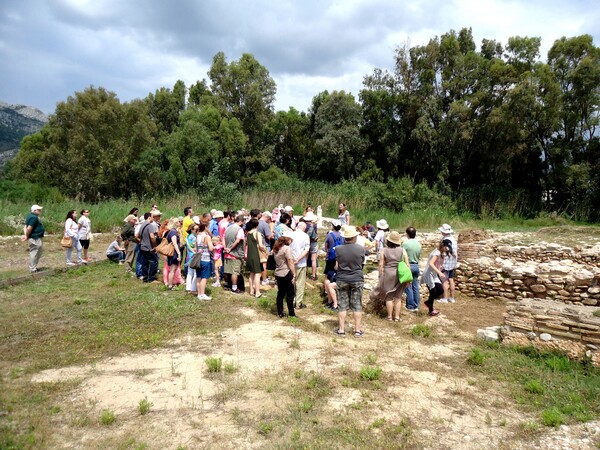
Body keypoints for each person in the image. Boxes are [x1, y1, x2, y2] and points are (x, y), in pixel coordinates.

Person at [370, 231, 410, 322]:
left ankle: (389, 317)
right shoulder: (402, 250)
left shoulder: (384, 250)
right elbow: (407, 264)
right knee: (398, 296)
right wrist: (408, 279)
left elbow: (381, 264)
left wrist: (380, 275)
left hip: (388, 273)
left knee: (389, 296)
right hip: (400, 274)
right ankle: (396, 317)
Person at [334, 226, 365, 337]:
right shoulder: (361, 249)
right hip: (357, 277)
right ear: (353, 237)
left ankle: (341, 330)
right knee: (357, 305)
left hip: (342, 278)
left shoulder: (338, 249)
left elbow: (336, 266)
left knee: (342, 305)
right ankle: (357, 330)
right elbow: (361, 264)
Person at [420, 240, 451, 316]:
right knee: (433, 291)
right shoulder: (436, 253)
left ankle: (428, 303)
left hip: (434, 275)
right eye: (446, 248)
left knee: (440, 290)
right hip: (428, 274)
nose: (447, 249)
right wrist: (439, 272)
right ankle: (431, 310)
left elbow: (439, 263)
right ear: (443, 246)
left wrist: (441, 267)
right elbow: (431, 263)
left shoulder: (441, 253)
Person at [273, 235, 296, 318]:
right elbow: (290, 261)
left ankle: (280, 312)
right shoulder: (286, 248)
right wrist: (294, 274)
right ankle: (291, 313)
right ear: (287, 241)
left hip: (278, 273)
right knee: (290, 294)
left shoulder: (276, 248)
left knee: (280, 293)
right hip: (286, 272)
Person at [224, 214, 245, 294]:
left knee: (227, 270)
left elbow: (223, 238)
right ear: (240, 221)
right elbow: (238, 240)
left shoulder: (228, 228)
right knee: (235, 272)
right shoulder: (239, 229)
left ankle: (226, 285)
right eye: (243, 222)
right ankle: (234, 288)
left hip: (226, 253)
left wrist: (226, 248)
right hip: (235, 253)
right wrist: (230, 248)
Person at [290, 222, 310, 308]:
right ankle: (298, 303)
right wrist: (298, 259)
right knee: (300, 283)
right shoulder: (305, 236)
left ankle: (291, 300)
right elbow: (306, 250)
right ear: (304, 228)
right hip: (301, 262)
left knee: (292, 282)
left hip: (290, 262)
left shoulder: (291, 234)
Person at [402, 226, 422, 312]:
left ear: (407, 234)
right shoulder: (418, 244)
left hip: (408, 265)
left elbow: (402, 255)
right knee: (415, 286)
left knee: (408, 286)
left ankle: (410, 306)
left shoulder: (405, 244)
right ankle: (416, 305)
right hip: (416, 265)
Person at [245, 218, 265, 298]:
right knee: (258, 274)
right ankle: (257, 292)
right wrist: (265, 250)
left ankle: (251, 290)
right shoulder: (257, 233)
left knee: (251, 273)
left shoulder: (248, 233)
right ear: (257, 225)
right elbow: (260, 245)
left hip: (249, 255)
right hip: (256, 255)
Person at [139, 210, 161, 283]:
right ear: (149, 217)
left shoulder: (142, 225)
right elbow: (152, 237)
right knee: (154, 262)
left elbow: (138, 235)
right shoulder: (149, 226)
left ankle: (145, 278)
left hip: (143, 247)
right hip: (149, 248)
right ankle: (152, 278)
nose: (153, 218)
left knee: (145, 263)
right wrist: (155, 246)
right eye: (152, 217)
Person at [22, 204, 45, 273]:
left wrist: (26, 235)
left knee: (38, 251)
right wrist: (27, 236)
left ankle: (34, 267)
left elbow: (25, 227)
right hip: (35, 237)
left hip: (35, 237)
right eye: (38, 210)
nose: (40, 211)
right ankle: (32, 268)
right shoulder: (34, 218)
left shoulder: (30, 216)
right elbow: (29, 228)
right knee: (35, 252)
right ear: (34, 210)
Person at [438, 224, 458, 303]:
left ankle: (445, 298)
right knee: (451, 280)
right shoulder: (454, 240)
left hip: (445, 263)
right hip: (452, 263)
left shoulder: (445, 240)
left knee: (445, 281)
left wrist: (440, 264)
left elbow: (443, 253)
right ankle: (452, 298)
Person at [194, 223, 214, 300]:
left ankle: (199, 294)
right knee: (204, 277)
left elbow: (196, 248)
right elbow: (211, 248)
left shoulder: (197, 236)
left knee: (198, 276)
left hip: (198, 259)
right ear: (205, 227)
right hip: (205, 259)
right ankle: (202, 294)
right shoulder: (207, 237)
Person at [165, 218, 183, 290]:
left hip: (172, 253)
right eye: (178, 222)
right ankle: (170, 285)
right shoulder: (173, 233)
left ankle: (170, 283)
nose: (180, 223)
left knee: (172, 269)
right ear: (175, 223)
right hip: (174, 253)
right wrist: (179, 253)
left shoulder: (170, 231)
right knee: (172, 269)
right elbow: (175, 243)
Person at [258, 211, 273, 285]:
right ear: (267, 217)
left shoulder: (256, 222)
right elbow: (268, 236)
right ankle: (264, 279)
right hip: (265, 245)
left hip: (256, 245)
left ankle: (259, 277)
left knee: (258, 263)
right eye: (269, 219)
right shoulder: (265, 224)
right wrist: (273, 233)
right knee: (264, 263)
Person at [303, 211, 319, 281]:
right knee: (314, 260)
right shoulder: (314, 225)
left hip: (306, 242)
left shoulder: (304, 225)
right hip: (314, 242)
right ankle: (313, 275)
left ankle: (305, 274)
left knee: (305, 259)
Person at [185, 223, 199, 294]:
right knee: (195, 273)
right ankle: (193, 289)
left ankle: (188, 288)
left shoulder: (189, 236)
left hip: (189, 256)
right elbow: (194, 248)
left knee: (189, 273)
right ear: (192, 230)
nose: (198, 231)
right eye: (196, 229)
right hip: (193, 256)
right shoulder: (192, 237)